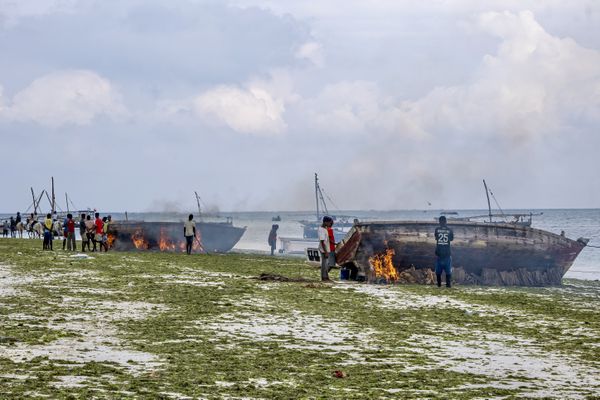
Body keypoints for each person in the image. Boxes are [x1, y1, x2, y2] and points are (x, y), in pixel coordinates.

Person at [434, 216, 454, 288]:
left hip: (439, 253)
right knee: (448, 271)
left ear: (439, 222)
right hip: (447, 253)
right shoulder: (450, 230)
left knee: (438, 271)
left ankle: (439, 284)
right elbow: (451, 239)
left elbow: (436, 237)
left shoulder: (437, 229)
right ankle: (448, 285)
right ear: (446, 222)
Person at [318, 216, 336, 281]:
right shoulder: (321, 230)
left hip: (326, 249)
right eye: (329, 223)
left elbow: (327, 239)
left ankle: (326, 277)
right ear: (325, 222)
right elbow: (322, 242)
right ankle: (324, 278)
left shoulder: (325, 229)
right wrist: (325, 252)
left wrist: (334, 243)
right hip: (323, 249)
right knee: (324, 264)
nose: (330, 225)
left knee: (325, 264)